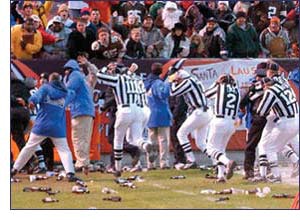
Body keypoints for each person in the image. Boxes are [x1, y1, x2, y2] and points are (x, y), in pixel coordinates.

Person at [11, 72, 81, 182]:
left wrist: (32, 102)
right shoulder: (67, 93)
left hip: (41, 125)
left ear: (50, 80)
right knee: (64, 150)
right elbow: (73, 93)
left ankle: (14, 170)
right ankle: (70, 174)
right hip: (58, 127)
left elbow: (35, 97)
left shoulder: (45, 88)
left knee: (29, 147)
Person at [253, 63, 299, 183]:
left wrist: (264, 93)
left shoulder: (271, 91)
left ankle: (275, 175)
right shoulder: (284, 82)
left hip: (285, 121)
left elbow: (261, 111)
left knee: (268, 147)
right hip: (295, 117)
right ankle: (296, 162)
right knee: (279, 144)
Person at [168, 65, 213, 169]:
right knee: (201, 143)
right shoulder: (193, 79)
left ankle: (191, 160)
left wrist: (173, 82)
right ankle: (219, 160)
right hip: (205, 111)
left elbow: (173, 92)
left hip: (199, 112)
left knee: (181, 134)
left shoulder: (188, 81)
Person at [204, 74, 240, 182]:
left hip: (219, 120)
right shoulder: (236, 90)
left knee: (210, 149)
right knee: (220, 149)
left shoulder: (220, 87)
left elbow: (206, 94)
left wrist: (216, 82)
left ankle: (227, 162)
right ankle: (221, 176)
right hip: (232, 122)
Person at [63, 59, 95, 175]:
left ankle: (81, 162)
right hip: (88, 110)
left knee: (77, 138)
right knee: (85, 138)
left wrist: (62, 105)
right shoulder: (82, 78)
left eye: (67, 70)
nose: (66, 73)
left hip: (80, 110)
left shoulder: (75, 76)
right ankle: (85, 163)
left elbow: (69, 91)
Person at [237, 63, 268, 179]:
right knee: (268, 145)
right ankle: (266, 169)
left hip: (257, 118)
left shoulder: (254, 87)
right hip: (270, 118)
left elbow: (244, 101)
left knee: (252, 145)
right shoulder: (275, 85)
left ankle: (250, 171)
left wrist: (241, 111)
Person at [144, 63, 172, 169]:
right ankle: (164, 162)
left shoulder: (146, 83)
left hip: (149, 114)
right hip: (161, 113)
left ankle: (150, 163)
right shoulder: (157, 83)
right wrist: (168, 82)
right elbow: (163, 94)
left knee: (151, 140)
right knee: (163, 140)